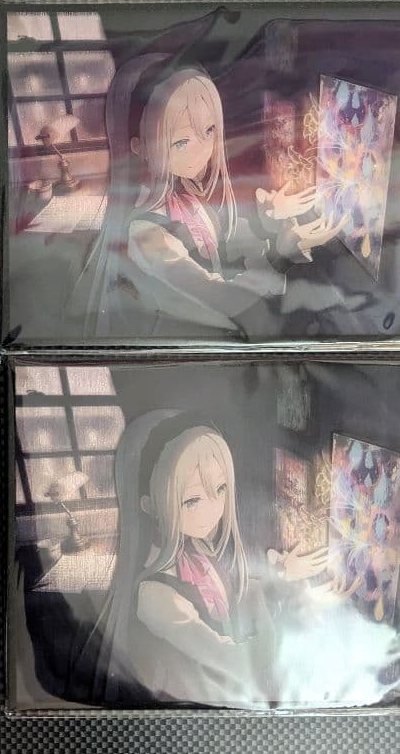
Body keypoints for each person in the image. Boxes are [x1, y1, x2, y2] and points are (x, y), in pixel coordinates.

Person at [82, 411, 393, 709]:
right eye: (192, 500)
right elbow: (240, 661)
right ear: (149, 504)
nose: (213, 510)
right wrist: (296, 615)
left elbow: (234, 594)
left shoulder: (195, 550)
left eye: (220, 489)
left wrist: (282, 573)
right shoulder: (155, 598)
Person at [70, 57, 342, 339]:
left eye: (209, 131)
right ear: (140, 148)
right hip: (197, 340)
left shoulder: (183, 199)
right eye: (181, 142)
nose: (202, 150)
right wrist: (279, 260)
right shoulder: (146, 235)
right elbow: (221, 296)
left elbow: (221, 246)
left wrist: (266, 220)